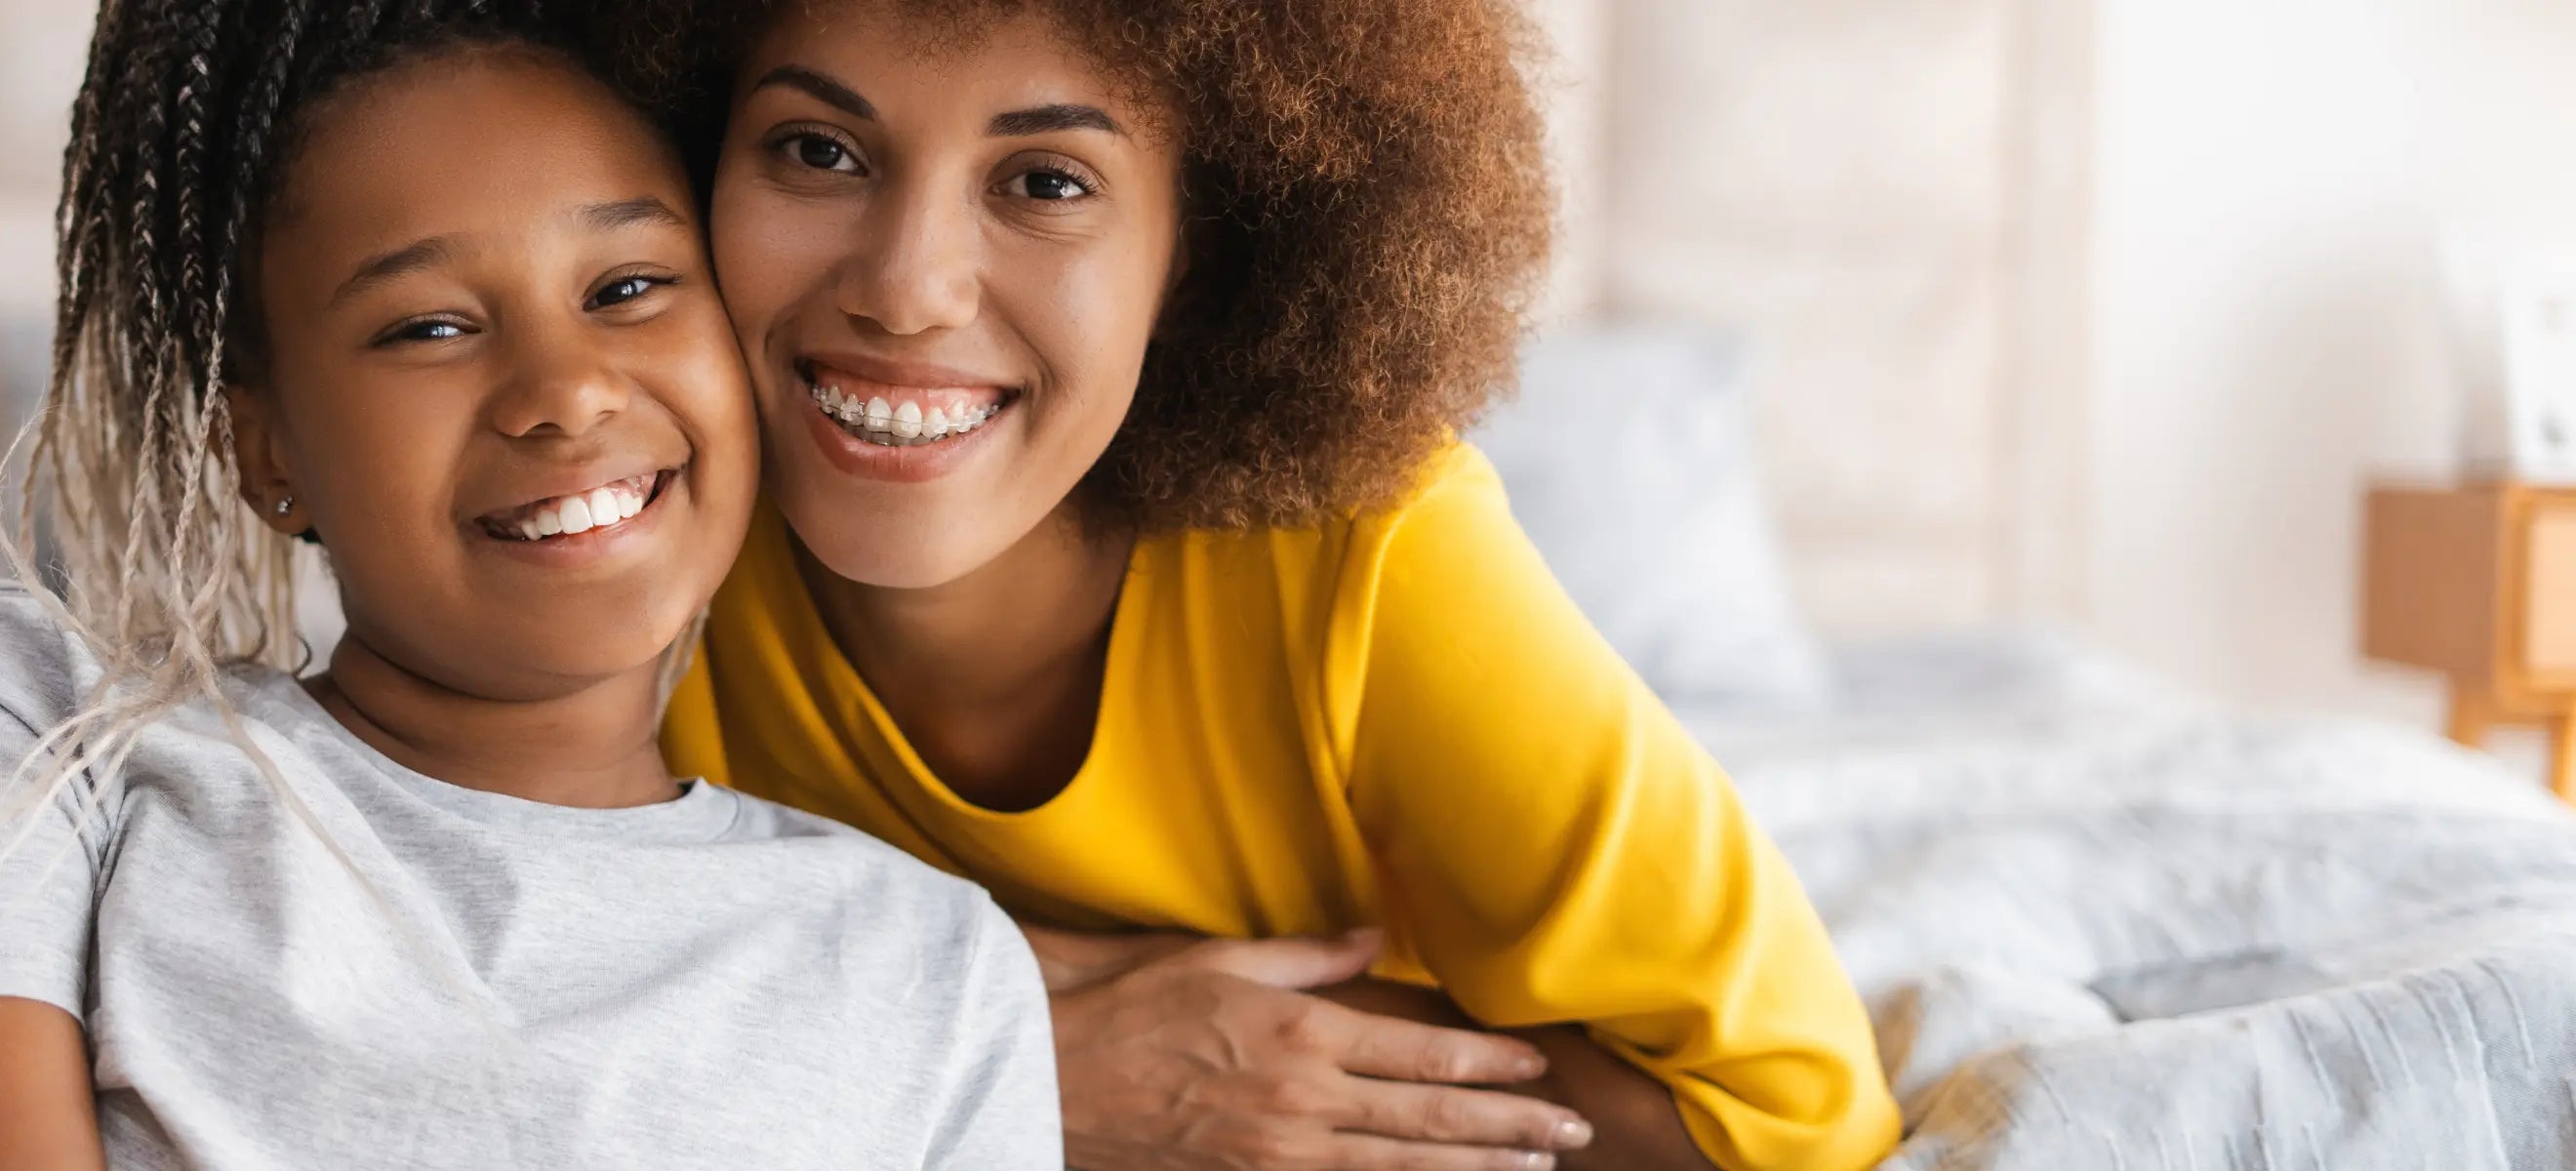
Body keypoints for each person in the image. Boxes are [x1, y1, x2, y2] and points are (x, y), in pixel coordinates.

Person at [0, 4, 1055, 1167]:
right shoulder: (36, 730)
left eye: (631, 285)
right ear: (267, 451)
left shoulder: (933, 965)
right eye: (429, 328)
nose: (565, 391)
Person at [611, 0, 1906, 1166]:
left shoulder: (1373, 564)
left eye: (1047, 180)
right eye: (818, 151)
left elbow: (1793, 1123)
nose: (905, 289)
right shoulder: (620, 538)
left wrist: (1206, 1060)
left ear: (1202, 255)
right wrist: (1013, 1043)